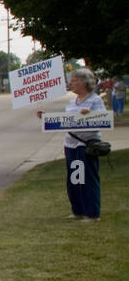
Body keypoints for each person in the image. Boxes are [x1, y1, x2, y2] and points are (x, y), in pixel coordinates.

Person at [35, 67, 105, 221]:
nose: (71, 83)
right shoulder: (73, 100)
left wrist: (90, 114)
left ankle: (92, 213)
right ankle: (78, 210)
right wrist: (46, 117)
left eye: (74, 81)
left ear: (84, 82)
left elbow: (103, 119)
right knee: (74, 179)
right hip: (71, 144)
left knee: (87, 178)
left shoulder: (95, 100)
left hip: (85, 144)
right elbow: (66, 120)